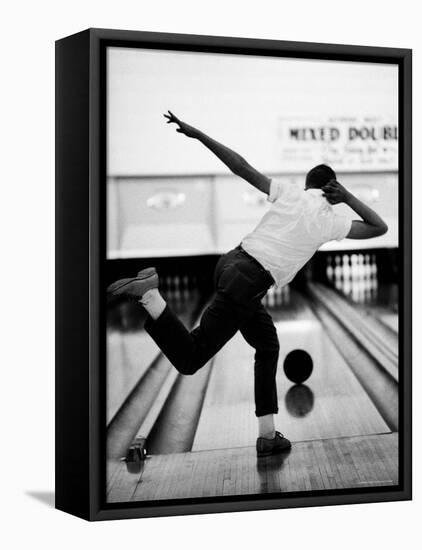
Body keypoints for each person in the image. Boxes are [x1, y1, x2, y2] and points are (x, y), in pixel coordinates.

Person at [107, 111, 388, 457]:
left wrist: (199, 134)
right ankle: (150, 295)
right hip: (250, 281)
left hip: (230, 262)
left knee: (267, 344)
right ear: (332, 190)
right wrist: (347, 198)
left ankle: (268, 435)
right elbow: (379, 228)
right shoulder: (332, 220)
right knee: (191, 359)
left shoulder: (289, 193)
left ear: (308, 184)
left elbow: (241, 167)